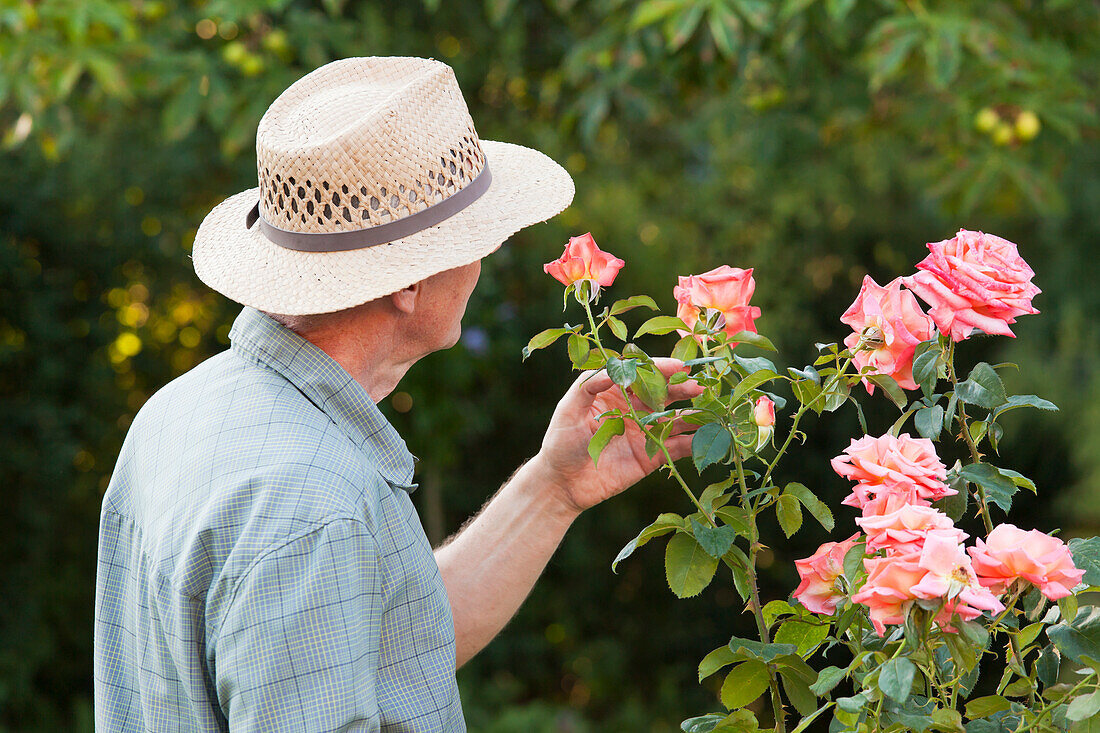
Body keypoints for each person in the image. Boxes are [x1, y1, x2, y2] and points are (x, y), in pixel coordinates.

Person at [94, 56, 700, 732]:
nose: (486, 255)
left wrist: (553, 487)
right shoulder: (313, 506)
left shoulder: (180, 412)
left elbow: (386, 649)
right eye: (475, 237)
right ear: (406, 283)